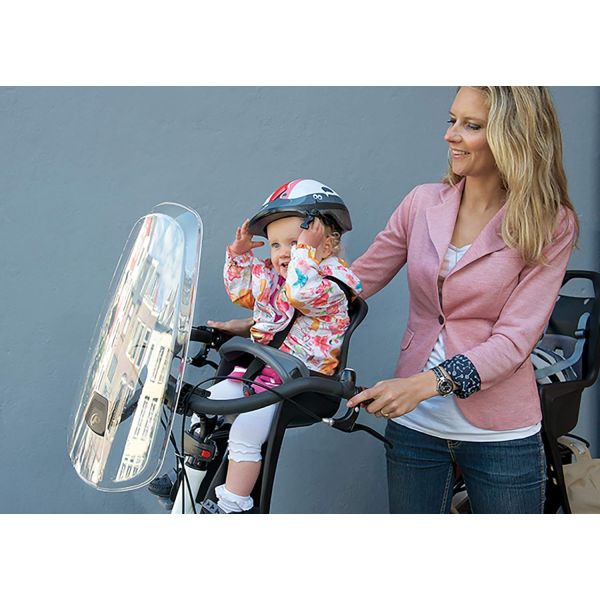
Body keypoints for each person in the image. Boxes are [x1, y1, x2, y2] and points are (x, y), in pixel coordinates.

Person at [346, 86, 579, 513]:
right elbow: (354, 282)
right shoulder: (422, 203)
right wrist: (274, 314)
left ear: (513, 137)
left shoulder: (550, 224)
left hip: (501, 436)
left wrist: (424, 385)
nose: (450, 135)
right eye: (452, 120)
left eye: (471, 125)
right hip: (414, 428)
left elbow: (515, 340)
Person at [207, 178, 362, 513]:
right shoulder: (279, 279)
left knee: (245, 434)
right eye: (275, 244)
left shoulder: (333, 286)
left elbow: (301, 294)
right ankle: (192, 477)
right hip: (263, 370)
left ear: (328, 245)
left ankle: (232, 506)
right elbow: (242, 294)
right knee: (206, 402)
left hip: (299, 379)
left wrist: (304, 254)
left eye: (295, 242)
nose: (284, 252)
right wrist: (239, 256)